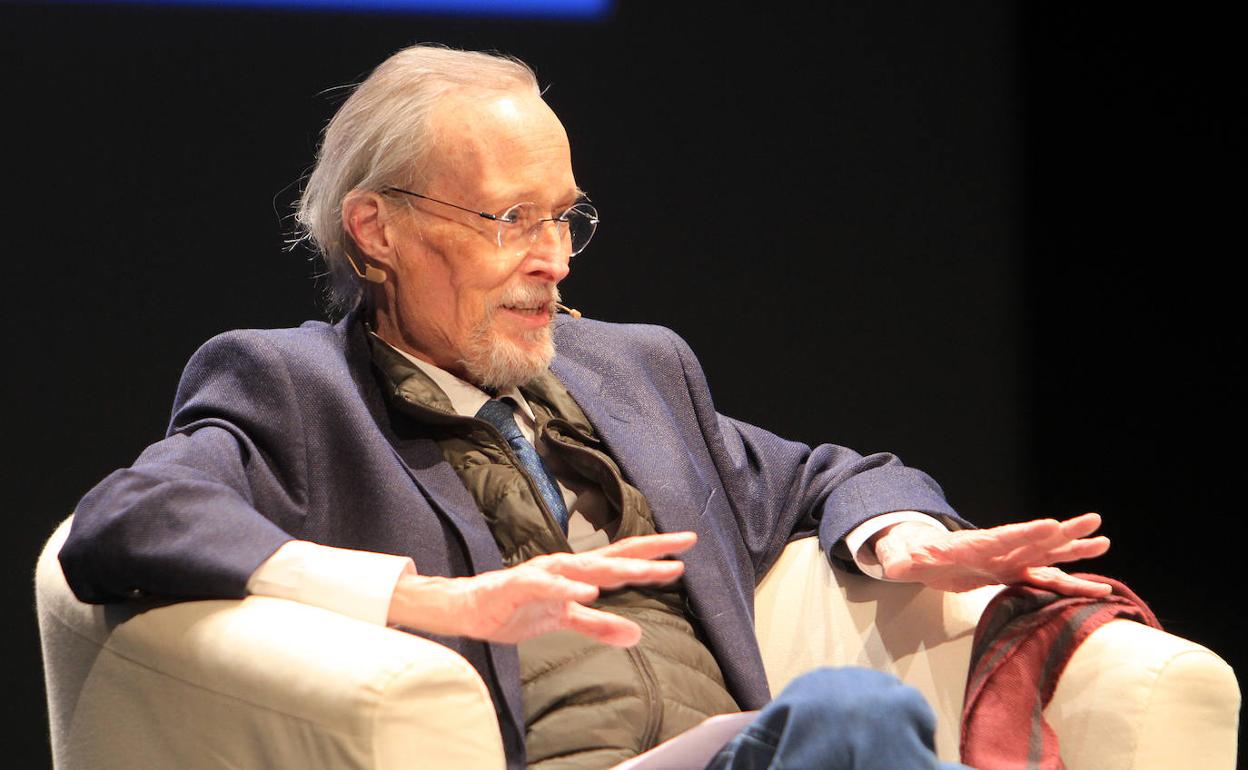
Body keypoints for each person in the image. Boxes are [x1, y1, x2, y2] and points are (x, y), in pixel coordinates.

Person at [60, 45, 1111, 770]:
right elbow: (125, 523)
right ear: (375, 228)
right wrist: (435, 601)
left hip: (737, 748)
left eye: (567, 218)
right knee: (858, 713)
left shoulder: (632, 369)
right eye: (512, 219)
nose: (554, 261)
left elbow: (827, 473)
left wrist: (906, 542)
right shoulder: (294, 387)